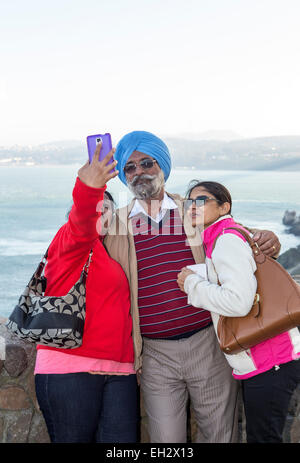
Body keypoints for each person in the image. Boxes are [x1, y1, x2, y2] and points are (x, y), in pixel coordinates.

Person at [104, 130, 281, 443]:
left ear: (163, 166)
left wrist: (269, 239)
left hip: (208, 345)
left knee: (220, 436)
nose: (139, 172)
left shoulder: (194, 209)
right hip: (155, 355)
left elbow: (239, 236)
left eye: (147, 163)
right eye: (129, 167)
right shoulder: (114, 225)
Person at [177, 180, 300, 443]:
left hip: (269, 359)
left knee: (263, 438)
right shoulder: (223, 237)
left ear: (224, 207)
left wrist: (191, 283)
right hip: (270, 358)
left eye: (202, 200)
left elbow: (238, 302)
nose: (192, 207)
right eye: (189, 202)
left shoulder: (225, 240)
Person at [34, 144, 139, 443]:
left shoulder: (110, 253)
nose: (101, 211)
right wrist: (92, 184)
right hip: (70, 370)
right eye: (97, 206)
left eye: (108, 207)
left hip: (119, 372)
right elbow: (83, 212)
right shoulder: (71, 241)